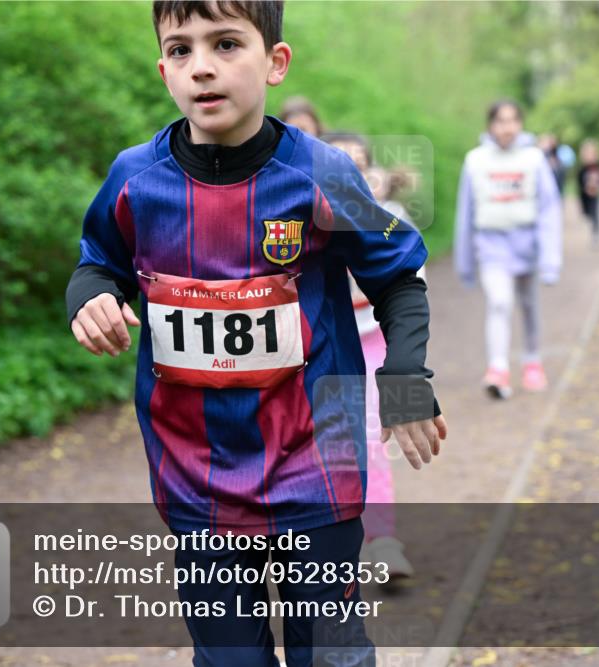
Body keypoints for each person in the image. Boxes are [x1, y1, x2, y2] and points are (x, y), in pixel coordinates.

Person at [64, 2, 447, 665]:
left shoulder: (325, 172)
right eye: (181, 50)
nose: (202, 67)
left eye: (226, 44)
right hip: (195, 476)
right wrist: (93, 297)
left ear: (275, 62)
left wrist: (407, 374)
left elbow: (398, 279)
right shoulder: (135, 177)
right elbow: (98, 263)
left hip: (316, 466)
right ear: (163, 69)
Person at [324, 130, 420, 580]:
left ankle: (381, 539)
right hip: (319, 346)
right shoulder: (298, 219)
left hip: (373, 338)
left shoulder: (387, 217)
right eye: (340, 165)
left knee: (371, 438)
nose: (351, 174)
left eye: (359, 165)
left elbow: (409, 286)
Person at [454, 100, 562, 399]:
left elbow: (549, 210)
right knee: (500, 302)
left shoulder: (534, 159)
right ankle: (498, 367)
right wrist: (465, 265)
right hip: (491, 246)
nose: (507, 127)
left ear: (521, 124)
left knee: (528, 304)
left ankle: (532, 360)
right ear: (490, 125)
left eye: (513, 120)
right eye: (501, 121)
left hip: (526, 246)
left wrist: (551, 261)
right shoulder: (475, 160)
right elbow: (465, 214)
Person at [577, 139, 599, 247]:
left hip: (595, 194)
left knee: (596, 214)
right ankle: (594, 229)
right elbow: (579, 181)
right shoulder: (583, 168)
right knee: (587, 213)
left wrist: (597, 186)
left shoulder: (598, 166)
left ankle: (596, 234)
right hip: (585, 195)